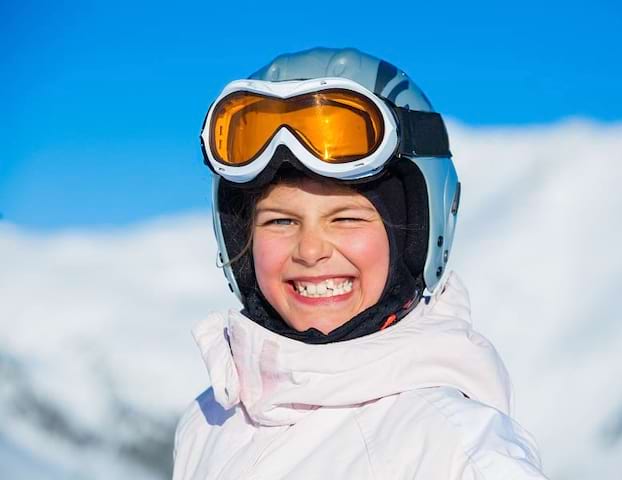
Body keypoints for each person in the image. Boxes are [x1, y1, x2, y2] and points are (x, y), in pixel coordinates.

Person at [172, 47, 548, 479]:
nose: (310, 251)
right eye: (280, 220)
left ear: (416, 235)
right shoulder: (208, 421)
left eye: (347, 218)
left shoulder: (459, 451)